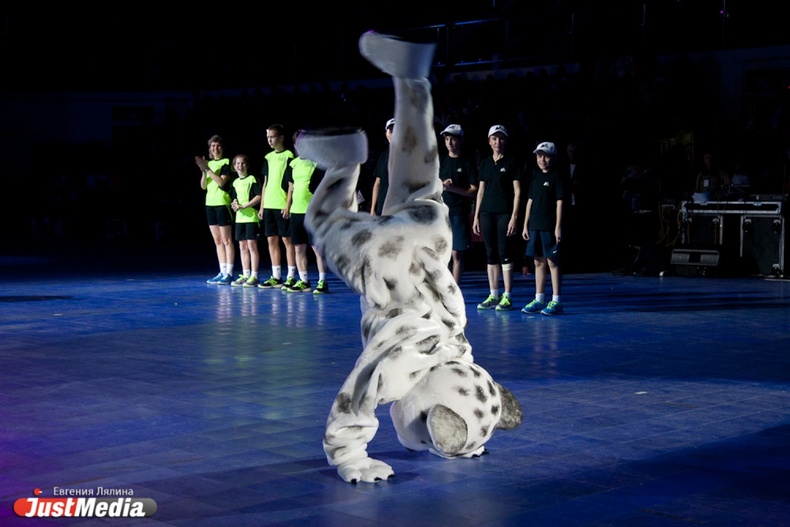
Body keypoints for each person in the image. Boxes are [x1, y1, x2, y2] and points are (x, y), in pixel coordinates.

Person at [299, 31, 521, 484]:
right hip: (385, 263)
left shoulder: (459, 351)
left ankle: (411, 79)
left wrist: (469, 437)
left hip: (431, 239)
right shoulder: (404, 369)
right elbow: (358, 394)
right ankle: (345, 163)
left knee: (417, 170)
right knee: (322, 223)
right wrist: (350, 456)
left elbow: (476, 391)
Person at [472, 124, 522, 311]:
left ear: (505, 141)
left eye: (501, 138)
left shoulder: (512, 162)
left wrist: (514, 216)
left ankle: (507, 296)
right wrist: (476, 216)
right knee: (491, 254)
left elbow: (518, 192)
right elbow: (480, 191)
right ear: (489, 141)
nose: (497, 142)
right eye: (494, 138)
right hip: (486, 214)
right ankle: (493, 295)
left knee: (504, 253)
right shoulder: (485, 164)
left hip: (504, 214)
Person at [521, 142, 569, 316]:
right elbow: (530, 201)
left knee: (552, 262)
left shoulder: (557, 177)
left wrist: (558, 227)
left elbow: (560, 202)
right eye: (539, 156)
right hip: (535, 225)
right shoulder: (535, 176)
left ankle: (556, 301)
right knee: (538, 262)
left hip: (549, 226)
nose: (542, 159)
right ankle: (539, 299)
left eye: (546, 156)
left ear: (553, 158)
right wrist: (525, 224)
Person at [282, 132, 330, 293]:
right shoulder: (293, 164)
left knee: (317, 249)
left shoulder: (317, 163)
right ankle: (304, 281)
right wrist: (288, 207)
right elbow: (290, 187)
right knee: (298, 248)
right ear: (295, 145)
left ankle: (322, 281)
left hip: (313, 213)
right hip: (296, 213)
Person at [257, 124, 296, 289]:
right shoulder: (268, 157)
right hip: (269, 205)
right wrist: (262, 206)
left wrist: (288, 205)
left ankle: (291, 276)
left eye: (272, 137)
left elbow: (291, 184)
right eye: (268, 137)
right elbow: (265, 183)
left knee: (287, 240)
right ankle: (276, 276)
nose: (270, 140)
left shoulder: (289, 156)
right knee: (271, 239)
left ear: (281, 138)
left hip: (282, 204)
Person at [439, 124, 478, 283]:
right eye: (447, 139)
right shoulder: (441, 161)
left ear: (460, 140)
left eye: (453, 139)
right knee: (441, 252)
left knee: (456, 252)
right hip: (441, 213)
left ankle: (454, 288)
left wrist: (454, 188)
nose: (449, 142)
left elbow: (474, 191)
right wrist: (441, 185)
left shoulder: (467, 163)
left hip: (458, 213)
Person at [195, 135, 235, 285]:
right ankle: (222, 271)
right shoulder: (209, 164)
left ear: (222, 147)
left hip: (222, 203)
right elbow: (203, 186)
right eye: (213, 146)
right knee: (218, 240)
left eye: (218, 146)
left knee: (226, 240)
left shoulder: (226, 162)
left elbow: (221, 182)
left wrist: (207, 169)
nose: (215, 149)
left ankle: (229, 273)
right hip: (210, 204)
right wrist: (203, 171)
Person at [229, 154, 262, 287]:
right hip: (239, 219)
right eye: (237, 163)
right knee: (242, 247)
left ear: (247, 165)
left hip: (251, 218)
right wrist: (235, 204)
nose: (240, 166)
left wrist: (244, 206)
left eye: (243, 163)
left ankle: (254, 276)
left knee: (252, 246)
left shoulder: (252, 179)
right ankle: (246, 274)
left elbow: (259, 196)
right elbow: (234, 198)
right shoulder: (235, 182)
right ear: (234, 166)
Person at [369, 118, 393, 216]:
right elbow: (377, 183)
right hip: (382, 209)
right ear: (386, 134)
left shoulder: (406, 156)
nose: (392, 134)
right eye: (390, 131)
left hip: (398, 208)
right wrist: (373, 208)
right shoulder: (383, 156)